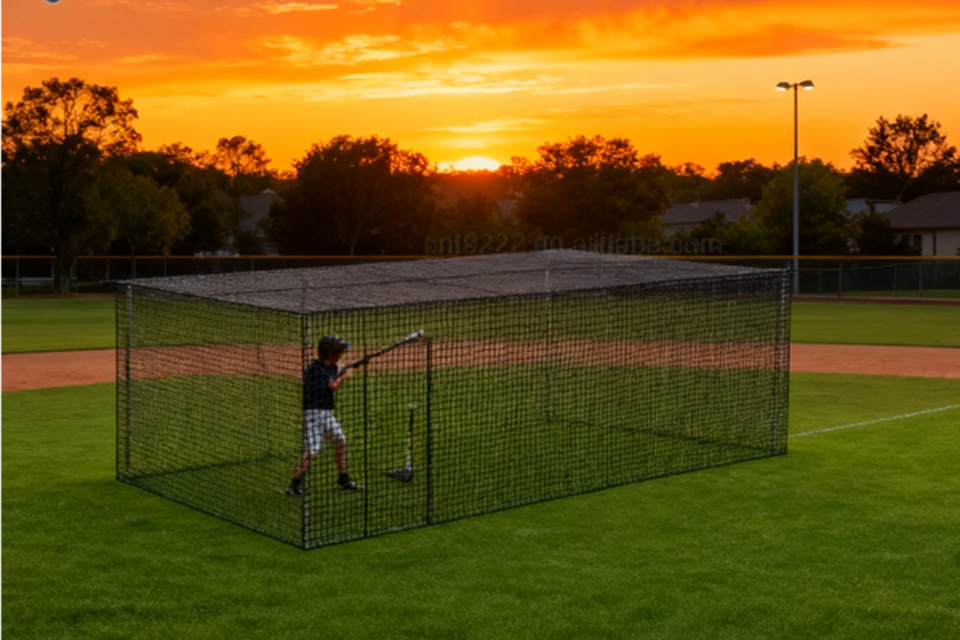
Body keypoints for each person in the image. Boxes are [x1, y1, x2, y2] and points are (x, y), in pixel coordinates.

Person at [285, 335, 363, 495]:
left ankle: (343, 479)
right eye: (339, 352)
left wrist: (351, 367)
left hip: (325, 413)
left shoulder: (332, 367)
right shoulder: (315, 369)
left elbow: (338, 370)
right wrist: (344, 376)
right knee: (312, 452)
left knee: (341, 442)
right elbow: (332, 385)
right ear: (330, 353)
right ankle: (293, 485)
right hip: (313, 413)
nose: (342, 354)